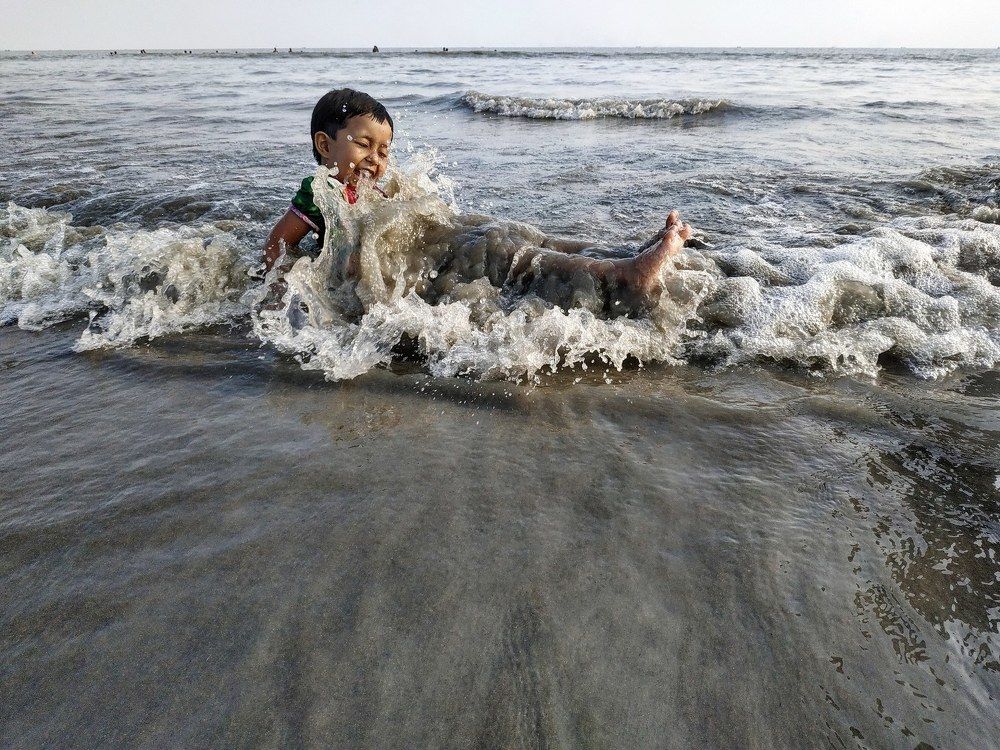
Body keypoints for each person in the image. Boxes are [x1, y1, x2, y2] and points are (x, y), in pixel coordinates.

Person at [263, 88, 693, 317]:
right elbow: (277, 243)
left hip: (428, 251)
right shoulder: (318, 194)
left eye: (385, 150)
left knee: (516, 240)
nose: (375, 160)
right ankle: (623, 275)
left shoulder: (376, 189)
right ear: (325, 144)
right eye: (364, 145)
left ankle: (624, 255)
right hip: (418, 267)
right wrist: (283, 284)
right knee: (510, 260)